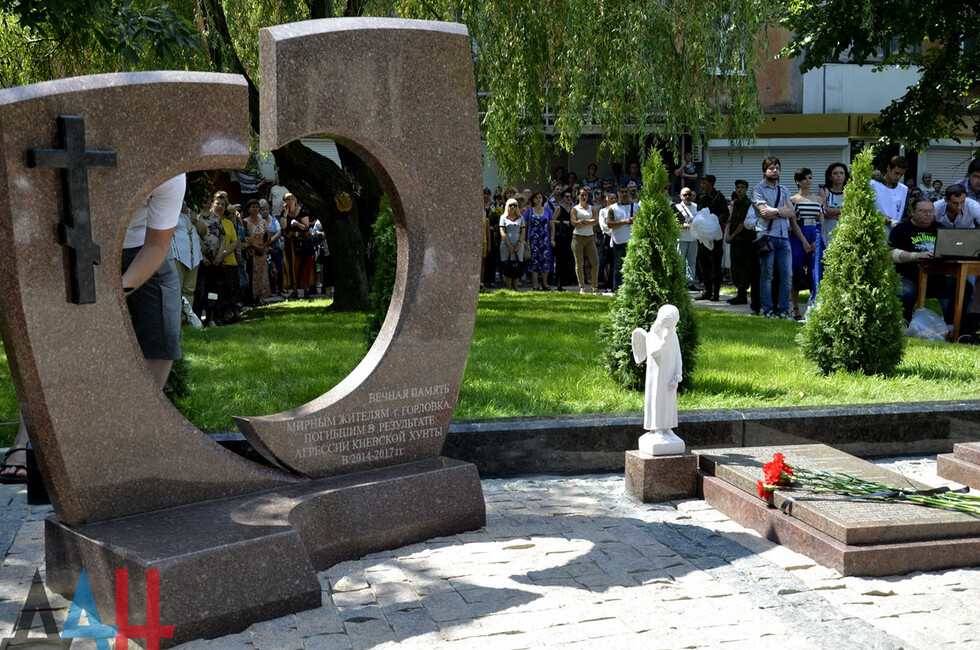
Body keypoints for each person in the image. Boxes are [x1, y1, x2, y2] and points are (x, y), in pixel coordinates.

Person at [1, 175, 187, 483]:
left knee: (162, 338)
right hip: (80, 242)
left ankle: (130, 435)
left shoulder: (171, 174)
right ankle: (27, 441)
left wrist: (119, 290)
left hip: (142, 247)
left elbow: (157, 244)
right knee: (49, 342)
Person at [889, 196, 972, 324]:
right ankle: (905, 325)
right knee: (906, 291)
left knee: (965, 287)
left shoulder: (941, 229)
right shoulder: (901, 229)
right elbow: (890, 253)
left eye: (931, 211)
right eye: (923, 211)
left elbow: (952, 250)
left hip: (935, 279)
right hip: (909, 278)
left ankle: (951, 325)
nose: (928, 215)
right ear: (913, 212)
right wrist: (914, 255)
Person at [631, 304, 684, 454]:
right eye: (669, 325)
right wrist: (664, 340)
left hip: (669, 376)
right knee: (657, 400)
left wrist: (678, 373)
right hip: (656, 377)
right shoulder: (652, 335)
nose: (671, 328)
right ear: (662, 321)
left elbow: (677, 355)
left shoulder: (673, 335)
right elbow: (654, 352)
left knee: (669, 402)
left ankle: (668, 428)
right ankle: (657, 428)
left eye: (674, 325)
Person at [752, 156, 795, 320]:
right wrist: (781, 210)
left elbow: (791, 212)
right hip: (767, 237)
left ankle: (784, 310)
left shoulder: (784, 189)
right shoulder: (758, 189)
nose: (775, 170)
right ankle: (768, 310)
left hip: (784, 237)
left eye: (777, 167)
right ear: (765, 171)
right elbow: (764, 212)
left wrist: (775, 211)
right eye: (771, 168)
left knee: (787, 275)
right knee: (767, 275)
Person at [789, 168, 824, 319]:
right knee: (796, 271)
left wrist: (817, 239)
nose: (808, 181)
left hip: (815, 233)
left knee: (816, 270)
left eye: (810, 177)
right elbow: (793, 222)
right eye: (804, 178)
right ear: (798, 181)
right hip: (798, 235)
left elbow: (821, 219)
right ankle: (795, 307)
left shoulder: (819, 199)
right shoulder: (793, 199)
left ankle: (815, 305)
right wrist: (803, 241)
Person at [695, 174, 729, 301]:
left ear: (711, 183)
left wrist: (715, 221)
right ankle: (707, 291)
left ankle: (716, 293)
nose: (702, 185)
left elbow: (725, 213)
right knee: (703, 262)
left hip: (715, 236)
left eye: (704, 183)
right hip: (703, 236)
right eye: (702, 183)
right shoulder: (701, 197)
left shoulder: (718, 197)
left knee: (715, 264)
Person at [169, 200, 203, 311]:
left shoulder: (192, 214)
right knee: (177, 289)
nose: (183, 202)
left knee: (189, 289)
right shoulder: (171, 213)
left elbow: (204, 232)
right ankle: (175, 320)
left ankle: (187, 319)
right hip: (177, 255)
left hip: (194, 258)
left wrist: (196, 221)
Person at [725, 180, 754, 306]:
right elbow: (731, 219)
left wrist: (732, 235)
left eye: (742, 187)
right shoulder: (736, 203)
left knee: (743, 267)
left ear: (746, 189)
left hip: (744, 240)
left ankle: (742, 294)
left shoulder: (748, 203)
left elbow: (743, 223)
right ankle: (739, 293)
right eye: (738, 187)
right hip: (735, 240)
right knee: (735, 266)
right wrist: (728, 234)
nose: (740, 190)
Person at [282, 193, 315, 299]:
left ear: (295, 200)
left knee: (303, 265)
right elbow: (283, 226)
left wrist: (297, 224)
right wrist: (285, 214)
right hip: (290, 243)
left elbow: (306, 227)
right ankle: (294, 291)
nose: (290, 201)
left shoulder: (302, 211)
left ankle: (306, 291)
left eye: (292, 199)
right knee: (292, 266)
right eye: (287, 200)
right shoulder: (284, 212)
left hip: (301, 242)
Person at [524, 191, 556, 291]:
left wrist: (552, 239)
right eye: (536, 197)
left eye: (540, 197)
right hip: (533, 239)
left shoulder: (547, 211)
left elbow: (552, 226)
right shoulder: (529, 211)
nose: (538, 199)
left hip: (545, 239)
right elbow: (525, 226)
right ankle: (535, 284)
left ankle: (545, 283)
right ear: (533, 199)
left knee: (545, 260)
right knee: (534, 261)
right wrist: (525, 239)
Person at [570, 187, 599, 293]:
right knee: (579, 263)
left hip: (590, 238)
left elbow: (595, 221)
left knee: (595, 262)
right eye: (581, 195)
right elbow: (574, 223)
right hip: (577, 238)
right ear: (578, 196)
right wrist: (587, 221)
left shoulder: (592, 208)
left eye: (585, 195)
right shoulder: (575, 209)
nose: (583, 197)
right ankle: (582, 286)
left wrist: (583, 221)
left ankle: (594, 285)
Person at [606, 185, 635, 291]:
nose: (624, 194)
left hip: (632, 241)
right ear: (618, 193)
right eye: (621, 192)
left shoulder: (635, 206)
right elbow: (609, 224)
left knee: (632, 267)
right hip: (618, 241)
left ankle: (631, 289)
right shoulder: (613, 208)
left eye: (625, 192)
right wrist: (623, 222)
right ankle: (617, 289)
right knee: (618, 267)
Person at [872, 155, 909, 235]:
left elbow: (906, 214)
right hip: (875, 233)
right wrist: (878, 218)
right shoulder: (872, 185)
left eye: (901, 175)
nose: (898, 177)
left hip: (895, 235)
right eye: (896, 173)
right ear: (889, 168)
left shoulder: (904, 189)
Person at [244, 198, 271, 303]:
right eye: (253, 207)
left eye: (257, 207)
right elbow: (245, 238)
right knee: (252, 275)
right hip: (251, 251)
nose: (255, 209)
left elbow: (268, 235)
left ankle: (260, 297)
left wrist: (263, 246)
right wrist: (255, 246)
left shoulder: (263, 221)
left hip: (262, 251)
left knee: (262, 274)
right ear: (249, 209)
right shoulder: (245, 222)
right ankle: (252, 297)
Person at [499, 198, 526, 291]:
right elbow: (502, 232)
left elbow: (523, 231)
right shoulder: (503, 218)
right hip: (506, 244)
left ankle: (516, 287)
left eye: (515, 205)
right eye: (511, 205)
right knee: (507, 265)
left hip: (518, 244)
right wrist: (509, 245)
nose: (513, 207)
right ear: (507, 206)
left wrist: (519, 244)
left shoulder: (521, 218)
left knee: (517, 264)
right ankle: (509, 287)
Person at [674, 188, 699, 290]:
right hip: (681, 238)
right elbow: (673, 222)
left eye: (689, 194)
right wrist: (682, 226)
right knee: (680, 261)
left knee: (692, 262)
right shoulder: (677, 207)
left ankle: (690, 283)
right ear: (680, 196)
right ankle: (680, 283)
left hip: (693, 238)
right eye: (685, 195)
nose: (687, 197)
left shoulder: (696, 207)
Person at [819, 162, 849, 246]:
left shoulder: (850, 191)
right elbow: (823, 211)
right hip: (828, 230)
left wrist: (831, 212)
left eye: (841, 173)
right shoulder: (824, 191)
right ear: (830, 177)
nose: (838, 175)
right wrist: (842, 210)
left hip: (846, 229)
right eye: (835, 173)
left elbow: (851, 212)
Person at [552, 189, 575, 290]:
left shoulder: (572, 209)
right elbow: (552, 220)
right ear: (562, 198)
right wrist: (564, 222)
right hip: (561, 234)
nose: (568, 198)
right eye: (566, 196)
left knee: (569, 257)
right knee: (560, 258)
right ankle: (559, 280)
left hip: (570, 235)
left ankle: (569, 279)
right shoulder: (559, 208)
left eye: (570, 196)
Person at [261, 199, 284, 295]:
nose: (265, 211)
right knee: (266, 270)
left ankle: (280, 288)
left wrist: (269, 241)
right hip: (263, 249)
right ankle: (269, 289)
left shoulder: (274, 220)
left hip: (275, 248)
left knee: (280, 267)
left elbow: (279, 232)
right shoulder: (258, 221)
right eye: (263, 210)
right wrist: (266, 245)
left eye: (266, 209)